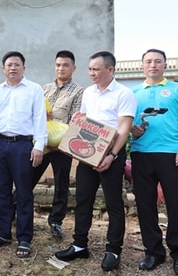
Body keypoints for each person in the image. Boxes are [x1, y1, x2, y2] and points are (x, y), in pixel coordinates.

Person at [55, 51, 137, 272]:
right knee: (83, 201)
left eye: (96, 69)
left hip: (112, 155)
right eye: (90, 69)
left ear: (110, 70)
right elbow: (83, 119)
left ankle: (113, 250)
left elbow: (124, 127)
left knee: (113, 204)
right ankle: (80, 244)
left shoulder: (123, 94)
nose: (91, 73)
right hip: (88, 154)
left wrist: (112, 156)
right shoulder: (89, 93)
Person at [130, 49, 178, 276]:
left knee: (176, 204)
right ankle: (153, 252)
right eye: (148, 61)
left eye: (157, 61)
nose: (153, 65)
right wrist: (133, 132)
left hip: (171, 154)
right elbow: (128, 124)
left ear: (165, 65)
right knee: (145, 205)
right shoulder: (133, 92)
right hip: (141, 154)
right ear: (142, 65)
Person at [0, 51, 47, 258]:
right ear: (3, 69)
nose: (13, 68)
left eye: (17, 65)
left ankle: (25, 238)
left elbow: (40, 118)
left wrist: (39, 146)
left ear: (24, 68)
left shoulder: (34, 90)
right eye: (9, 65)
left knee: (23, 192)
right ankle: (3, 233)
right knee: (0, 190)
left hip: (23, 146)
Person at [33, 50, 83, 238]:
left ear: (73, 68)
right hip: (41, 143)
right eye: (58, 65)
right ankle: (12, 211)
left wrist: (60, 145)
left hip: (62, 147)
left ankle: (56, 221)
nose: (61, 68)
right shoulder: (43, 88)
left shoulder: (78, 91)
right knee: (28, 177)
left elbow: (76, 120)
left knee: (61, 184)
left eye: (65, 65)